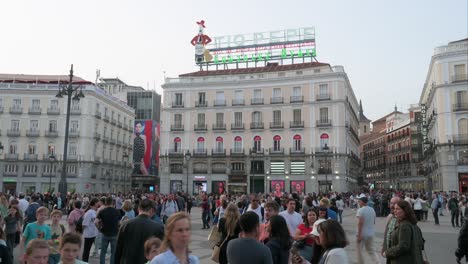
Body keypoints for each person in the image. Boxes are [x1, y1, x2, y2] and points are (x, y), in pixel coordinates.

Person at [116, 199, 164, 264]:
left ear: (138, 209)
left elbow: (118, 250)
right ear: (151, 210)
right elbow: (161, 252)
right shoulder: (158, 228)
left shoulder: (125, 225)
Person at [96, 197, 122, 264]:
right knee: (113, 253)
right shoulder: (117, 211)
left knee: (103, 252)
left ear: (105, 202)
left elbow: (96, 222)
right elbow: (119, 223)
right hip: (114, 233)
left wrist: (99, 228)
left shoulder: (102, 211)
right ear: (112, 202)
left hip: (105, 233)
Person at [356, 196, 380, 264]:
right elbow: (374, 222)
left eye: (359, 201)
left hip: (362, 234)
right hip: (370, 233)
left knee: (359, 251)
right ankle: (377, 262)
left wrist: (359, 234)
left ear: (363, 202)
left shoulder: (360, 210)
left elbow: (360, 222)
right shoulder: (372, 210)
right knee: (371, 250)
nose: (358, 203)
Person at [81, 198, 99, 262]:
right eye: (97, 202)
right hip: (88, 234)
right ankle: (84, 262)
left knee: (88, 249)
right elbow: (84, 224)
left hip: (93, 233)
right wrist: (82, 232)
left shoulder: (95, 212)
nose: (99, 203)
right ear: (94, 203)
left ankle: (85, 261)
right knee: (86, 250)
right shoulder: (89, 213)